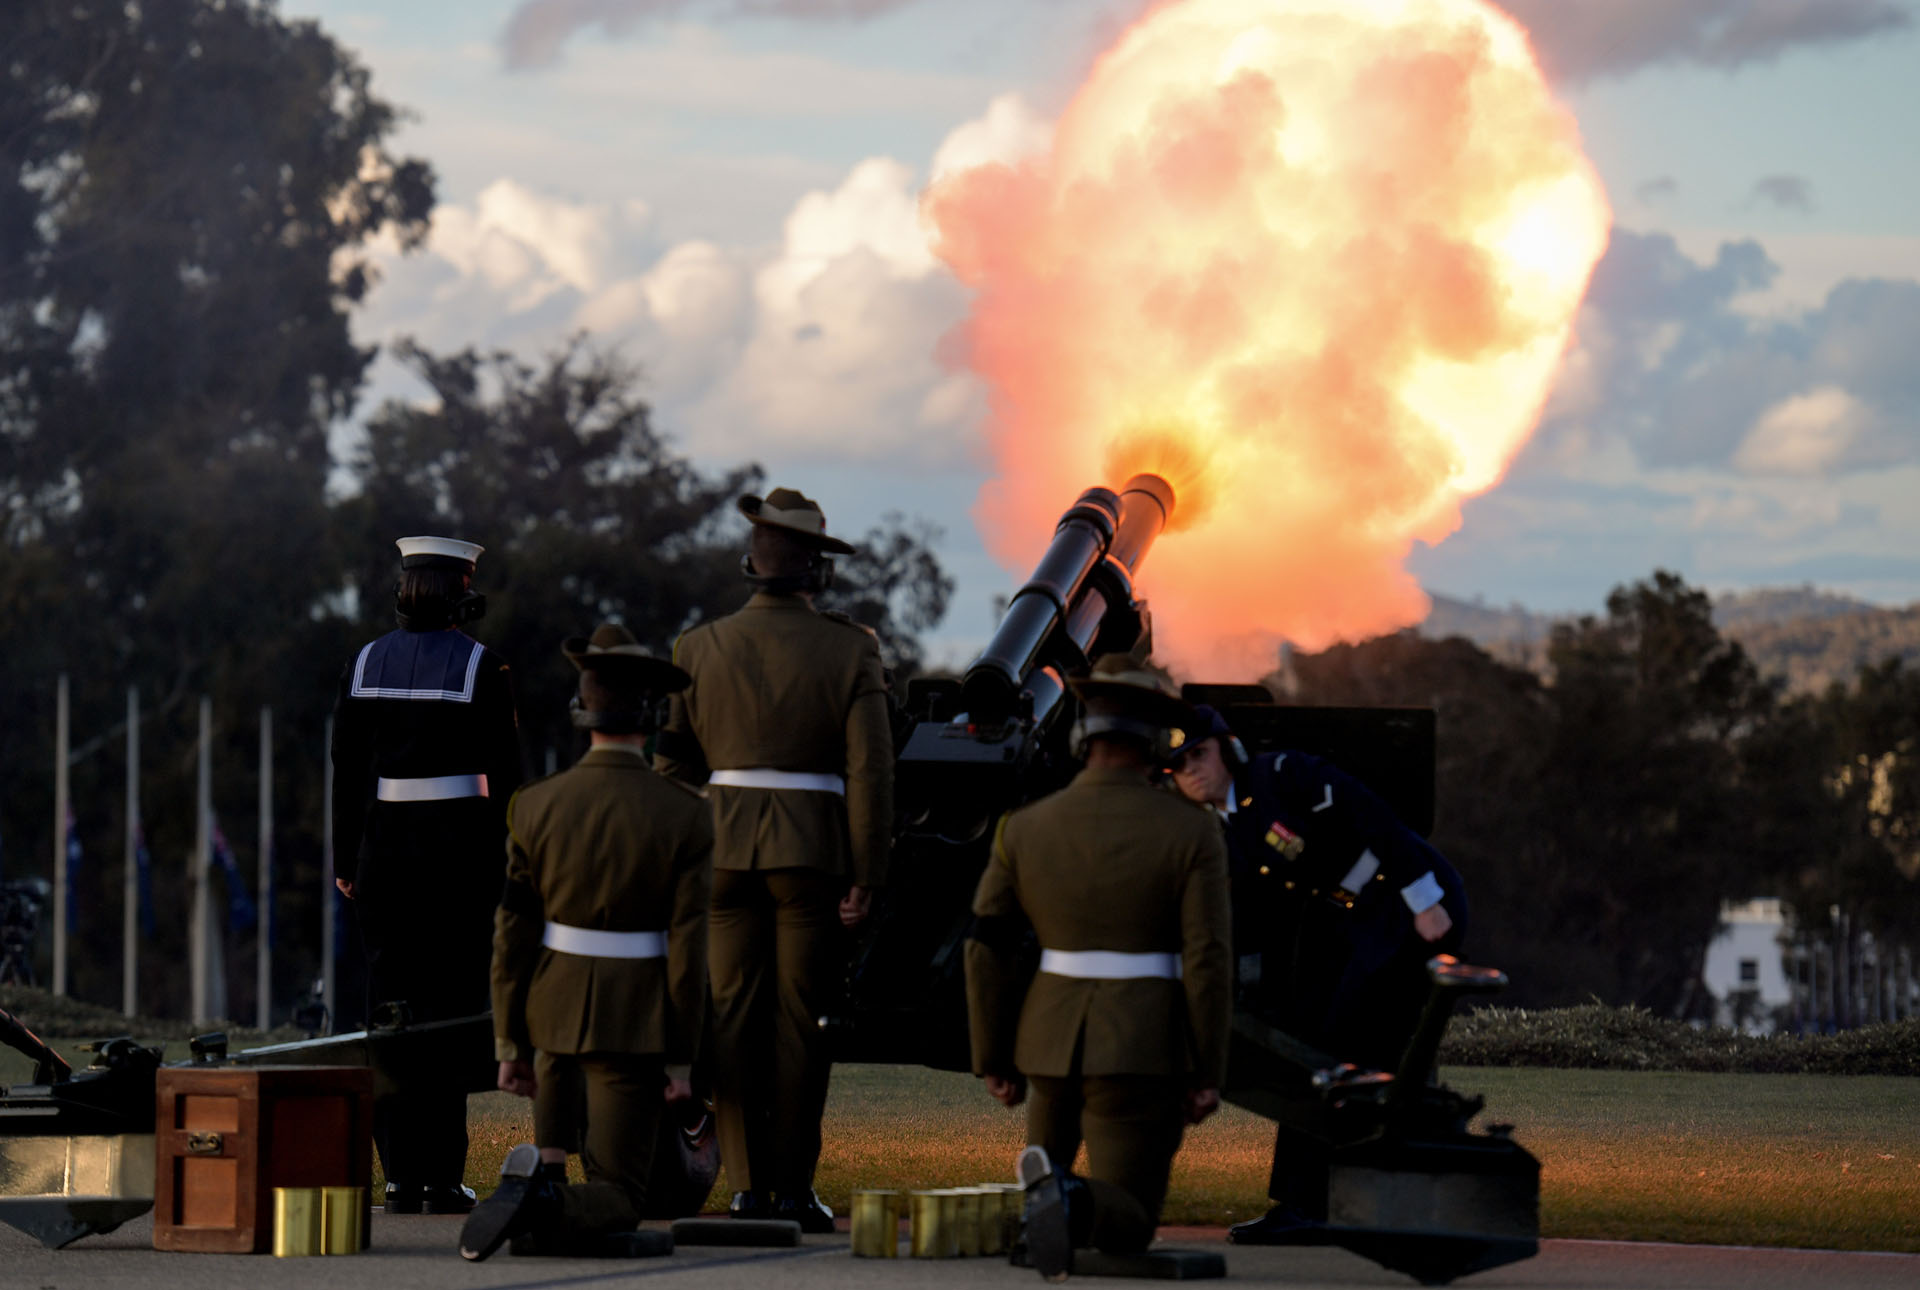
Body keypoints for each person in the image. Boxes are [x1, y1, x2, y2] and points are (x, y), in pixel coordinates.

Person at [653, 487, 893, 1232]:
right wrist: (867, 873)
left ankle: (747, 1186)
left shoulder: (696, 647)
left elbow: (669, 767)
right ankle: (792, 1187)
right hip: (811, 855)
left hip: (720, 851)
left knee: (729, 1017)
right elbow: (872, 773)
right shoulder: (852, 648)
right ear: (816, 571)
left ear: (750, 566)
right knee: (800, 1022)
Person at [966, 655, 1232, 1279]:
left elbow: (987, 947)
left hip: (1046, 1042)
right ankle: (1068, 1198)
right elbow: (1208, 959)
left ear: (1084, 735)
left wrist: (993, 1057)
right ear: (1156, 743)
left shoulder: (1023, 828)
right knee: (1131, 1220)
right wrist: (1205, 1069)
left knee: (1050, 1201)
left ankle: (1051, 1201)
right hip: (1140, 1049)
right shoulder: (1191, 833)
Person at [1168, 703, 1468, 1245]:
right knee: (1312, 1045)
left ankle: (1367, 1200)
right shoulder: (1223, 830)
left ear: (1229, 750)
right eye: (1178, 766)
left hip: (1402, 904)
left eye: (1198, 754)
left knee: (1359, 1046)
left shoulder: (1283, 775)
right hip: (1346, 917)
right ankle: (1305, 1202)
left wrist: (1424, 900)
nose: (1191, 770)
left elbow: (1374, 818)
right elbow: (1253, 914)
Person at [460, 624, 712, 1262]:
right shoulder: (684, 813)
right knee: (621, 1194)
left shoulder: (535, 806)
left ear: (583, 712)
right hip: (631, 1023)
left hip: (551, 1013)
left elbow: (511, 934)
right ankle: (544, 1203)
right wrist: (681, 1060)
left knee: (557, 1160)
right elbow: (687, 952)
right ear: (651, 715)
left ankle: (541, 1189)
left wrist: (510, 1041)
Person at [331, 535, 523, 1214]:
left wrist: (345, 861)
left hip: (381, 859)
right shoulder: (484, 667)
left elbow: (346, 773)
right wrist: (510, 865)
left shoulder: (364, 663)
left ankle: (398, 1176)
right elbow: (507, 782)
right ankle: (440, 1177)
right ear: (462, 592)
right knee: (446, 1019)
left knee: (388, 1018)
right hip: (458, 865)